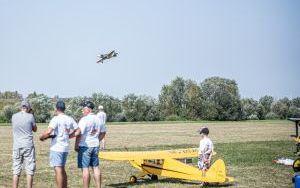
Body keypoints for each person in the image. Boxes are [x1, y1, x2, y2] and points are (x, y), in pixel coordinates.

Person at [39, 100, 78, 188]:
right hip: (65, 148)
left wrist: (42, 137)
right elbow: (78, 131)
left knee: (58, 170)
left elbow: (49, 131)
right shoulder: (69, 118)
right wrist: (69, 136)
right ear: (64, 109)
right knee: (62, 169)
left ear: (56, 109)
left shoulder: (55, 119)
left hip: (57, 148)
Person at [74, 101, 106, 188]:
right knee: (96, 167)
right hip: (95, 146)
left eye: (83, 109)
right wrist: (97, 140)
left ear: (87, 109)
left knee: (85, 168)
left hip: (85, 146)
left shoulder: (84, 119)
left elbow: (79, 133)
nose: (82, 111)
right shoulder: (98, 119)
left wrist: (76, 145)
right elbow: (103, 132)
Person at [11, 100, 37, 188]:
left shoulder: (14, 116)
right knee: (29, 169)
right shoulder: (30, 116)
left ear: (21, 107)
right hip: (28, 145)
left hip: (17, 145)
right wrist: (31, 114)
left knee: (16, 169)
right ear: (28, 108)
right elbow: (35, 129)